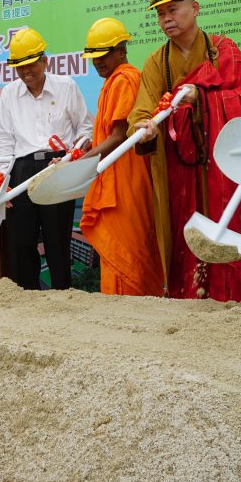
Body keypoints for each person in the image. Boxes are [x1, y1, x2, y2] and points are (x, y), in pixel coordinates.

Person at [127, 0, 241, 305]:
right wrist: (144, 128)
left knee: (233, 230)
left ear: (195, 8)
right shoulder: (157, 63)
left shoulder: (224, 51)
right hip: (182, 172)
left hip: (223, 169)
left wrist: (205, 99)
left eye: (174, 9)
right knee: (186, 237)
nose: (167, 19)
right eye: (161, 13)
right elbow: (142, 111)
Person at [0, 28, 93, 290]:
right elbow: (3, 141)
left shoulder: (66, 87)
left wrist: (71, 158)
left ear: (44, 61)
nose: (26, 72)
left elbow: (84, 130)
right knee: (22, 241)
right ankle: (27, 300)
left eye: (30, 65)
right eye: (19, 67)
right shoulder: (9, 94)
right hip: (22, 170)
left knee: (57, 240)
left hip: (58, 167)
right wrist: (3, 183)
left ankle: (62, 298)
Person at [78, 18, 163, 296]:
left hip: (127, 179)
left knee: (128, 253)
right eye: (94, 57)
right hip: (118, 175)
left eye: (104, 55)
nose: (98, 62)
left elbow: (119, 136)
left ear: (121, 50)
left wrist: (85, 160)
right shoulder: (113, 81)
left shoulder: (124, 79)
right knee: (120, 255)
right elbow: (107, 134)